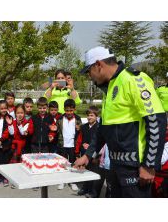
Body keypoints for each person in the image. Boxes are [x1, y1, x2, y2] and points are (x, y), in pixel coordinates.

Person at [74, 46, 166, 198]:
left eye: (89, 71)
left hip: (136, 169)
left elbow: (156, 121)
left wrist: (149, 165)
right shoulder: (109, 88)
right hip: (115, 167)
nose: (89, 76)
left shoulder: (134, 80)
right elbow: (103, 129)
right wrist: (88, 155)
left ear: (98, 65)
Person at [56, 99, 82, 191]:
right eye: (67, 110)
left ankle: (72, 181)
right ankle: (62, 180)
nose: (69, 112)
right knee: (63, 163)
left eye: (71, 110)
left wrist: (79, 129)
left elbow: (80, 132)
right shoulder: (60, 119)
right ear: (64, 109)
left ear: (74, 109)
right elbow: (57, 130)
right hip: (62, 144)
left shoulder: (78, 119)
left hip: (73, 145)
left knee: (72, 163)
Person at [75, 105, 100, 197]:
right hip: (84, 153)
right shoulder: (84, 127)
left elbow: (99, 142)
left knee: (94, 172)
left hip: (94, 154)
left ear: (96, 116)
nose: (89, 117)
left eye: (92, 115)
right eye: (88, 115)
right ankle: (85, 188)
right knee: (85, 171)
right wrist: (77, 152)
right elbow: (79, 140)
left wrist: (91, 148)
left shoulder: (99, 127)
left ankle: (93, 191)